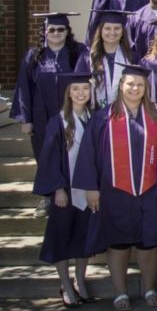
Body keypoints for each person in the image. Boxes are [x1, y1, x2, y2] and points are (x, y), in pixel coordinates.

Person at [73, 64, 157, 310]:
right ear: (121, 86)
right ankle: (120, 293)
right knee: (118, 243)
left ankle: (149, 289)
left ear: (146, 88)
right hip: (114, 191)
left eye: (140, 84)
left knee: (149, 244)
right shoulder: (103, 117)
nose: (135, 88)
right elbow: (89, 153)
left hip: (151, 192)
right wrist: (91, 187)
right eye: (130, 84)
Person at [32, 72, 99, 308]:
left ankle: (80, 279)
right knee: (62, 237)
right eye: (75, 89)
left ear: (91, 92)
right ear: (68, 94)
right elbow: (49, 158)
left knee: (84, 237)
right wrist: (57, 188)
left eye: (85, 89)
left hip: (89, 191)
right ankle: (65, 283)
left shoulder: (95, 118)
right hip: (66, 190)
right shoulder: (57, 121)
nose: (81, 93)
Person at [14, 12, 88, 161]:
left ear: (67, 32)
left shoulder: (79, 52)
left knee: (71, 155)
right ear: (45, 32)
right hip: (41, 115)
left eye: (61, 29)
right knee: (45, 155)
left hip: (71, 112)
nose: (56, 33)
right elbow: (24, 87)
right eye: (51, 29)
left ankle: (69, 185)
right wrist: (25, 119)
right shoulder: (33, 55)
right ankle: (50, 185)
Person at [84, 9, 137, 107]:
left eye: (117, 28)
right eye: (107, 28)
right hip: (95, 114)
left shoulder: (132, 57)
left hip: (125, 114)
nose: (112, 32)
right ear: (100, 31)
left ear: (122, 32)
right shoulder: (87, 58)